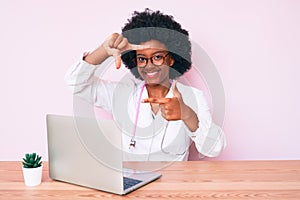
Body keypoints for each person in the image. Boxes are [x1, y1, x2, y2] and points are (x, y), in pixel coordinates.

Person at [65, 8, 226, 161]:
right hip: (130, 186)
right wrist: (104, 50)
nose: (149, 65)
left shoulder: (192, 97)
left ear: (171, 58)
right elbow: (75, 83)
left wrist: (187, 114)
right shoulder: (121, 95)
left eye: (157, 57)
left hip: (172, 186)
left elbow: (214, 148)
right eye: (142, 58)